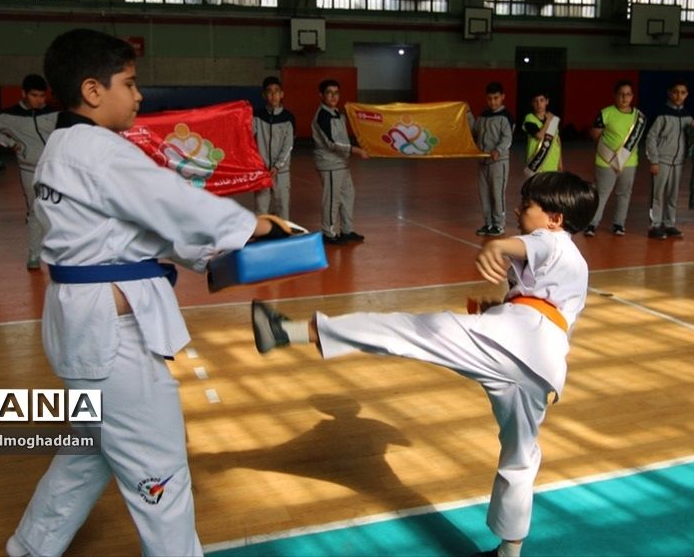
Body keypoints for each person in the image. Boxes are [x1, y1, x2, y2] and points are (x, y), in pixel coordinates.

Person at [5, 29, 282, 557]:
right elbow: (172, 201)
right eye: (129, 84)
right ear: (92, 90)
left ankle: (32, 545)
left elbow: (132, 228)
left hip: (82, 327)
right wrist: (252, 226)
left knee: (90, 448)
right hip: (112, 339)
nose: (138, 96)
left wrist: (210, 253)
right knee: (160, 471)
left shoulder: (62, 146)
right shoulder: (99, 150)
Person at [250, 170, 599, 557]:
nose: (518, 210)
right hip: (541, 368)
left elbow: (530, 245)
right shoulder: (575, 265)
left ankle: (288, 332)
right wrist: (504, 307)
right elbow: (547, 309)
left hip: (512, 342)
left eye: (527, 205)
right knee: (521, 458)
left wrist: (498, 246)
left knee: (405, 330)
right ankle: (509, 552)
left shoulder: (553, 240)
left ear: (556, 219)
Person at [0, 74, 60, 269]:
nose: (39, 100)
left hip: (54, 170)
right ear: (24, 94)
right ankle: (34, 255)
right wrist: (12, 144)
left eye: (42, 96)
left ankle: (58, 254)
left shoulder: (54, 113)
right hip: (29, 170)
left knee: (57, 210)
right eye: (34, 95)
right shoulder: (10, 116)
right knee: (34, 210)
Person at [584, 79, 646, 237]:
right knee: (601, 193)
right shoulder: (606, 113)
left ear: (632, 96)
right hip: (606, 162)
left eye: (628, 94)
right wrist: (609, 154)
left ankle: (619, 224)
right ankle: (592, 224)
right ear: (615, 95)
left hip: (629, 163)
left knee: (624, 194)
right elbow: (595, 134)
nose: (624, 98)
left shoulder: (639, 117)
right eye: (621, 94)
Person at [311, 78, 369, 244]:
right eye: (329, 93)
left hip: (342, 163)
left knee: (348, 195)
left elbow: (343, 138)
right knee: (332, 199)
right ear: (321, 95)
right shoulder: (322, 116)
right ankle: (329, 233)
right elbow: (332, 143)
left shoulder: (338, 114)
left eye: (336, 93)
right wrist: (356, 150)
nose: (333, 96)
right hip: (329, 164)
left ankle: (347, 230)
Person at [644, 80, 694, 239]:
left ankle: (669, 223)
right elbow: (651, 137)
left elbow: (690, 138)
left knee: (673, 194)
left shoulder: (688, 116)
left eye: (683, 92)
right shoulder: (662, 113)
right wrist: (654, 160)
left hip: (678, 162)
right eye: (676, 92)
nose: (679, 96)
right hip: (662, 160)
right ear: (669, 93)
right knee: (657, 194)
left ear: (687, 94)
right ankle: (654, 225)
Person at [471, 81, 513, 236]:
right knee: (484, 194)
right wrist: (467, 115)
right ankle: (488, 223)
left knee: (497, 193)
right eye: (489, 98)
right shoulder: (482, 116)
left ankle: (499, 224)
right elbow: (474, 133)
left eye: (496, 98)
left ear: (502, 97)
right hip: (483, 161)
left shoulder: (506, 117)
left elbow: (507, 138)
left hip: (498, 162)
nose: (493, 102)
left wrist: (498, 150)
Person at [253, 76, 296, 220]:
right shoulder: (256, 116)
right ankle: (261, 234)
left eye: (276, 91)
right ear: (264, 95)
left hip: (281, 172)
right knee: (261, 210)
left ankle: (282, 234)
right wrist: (258, 164)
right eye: (269, 92)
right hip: (262, 172)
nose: (273, 95)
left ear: (282, 94)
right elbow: (248, 139)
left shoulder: (288, 118)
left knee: (282, 208)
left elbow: (288, 145)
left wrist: (277, 166)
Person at [521, 90, 563, 178]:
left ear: (547, 102)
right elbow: (539, 136)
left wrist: (560, 162)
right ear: (532, 103)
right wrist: (548, 121)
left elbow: (557, 141)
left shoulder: (554, 120)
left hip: (552, 163)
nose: (539, 104)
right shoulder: (529, 119)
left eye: (541, 100)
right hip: (536, 163)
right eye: (535, 101)